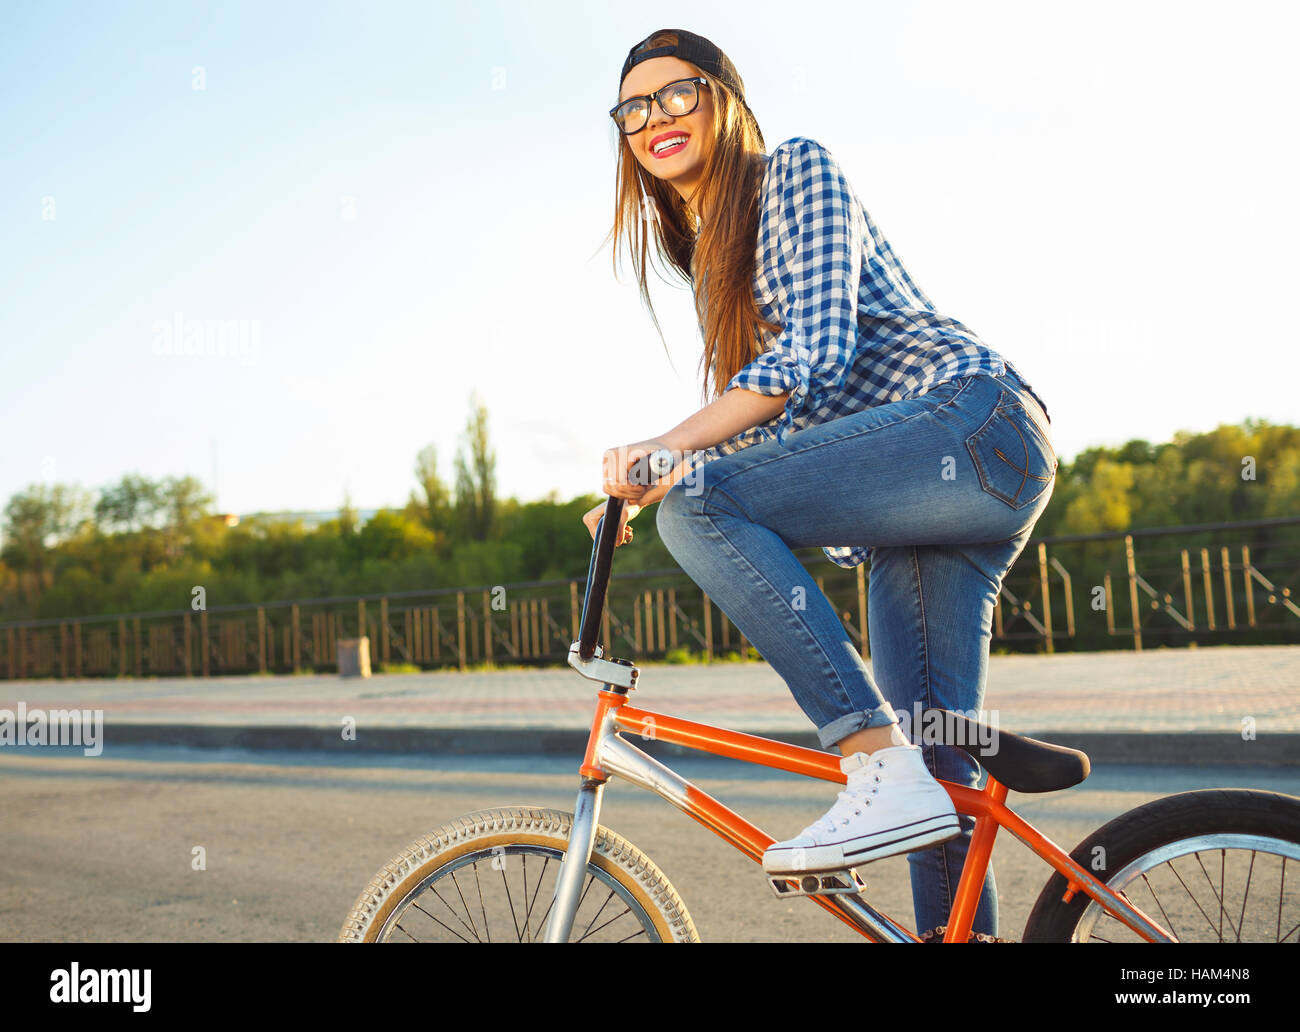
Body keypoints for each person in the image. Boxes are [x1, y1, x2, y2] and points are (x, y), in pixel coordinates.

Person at [585, 27, 1058, 941]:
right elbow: (775, 415)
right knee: (939, 767)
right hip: (921, 510)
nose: (656, 119)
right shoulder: (713, 261)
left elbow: (818, 353)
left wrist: (672, 458)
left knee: (701, 498)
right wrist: (659, 470)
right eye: (634, 109)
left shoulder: (794, 170)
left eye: (679, 92)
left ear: (727, 99)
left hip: (973, 422)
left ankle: (866, 759)